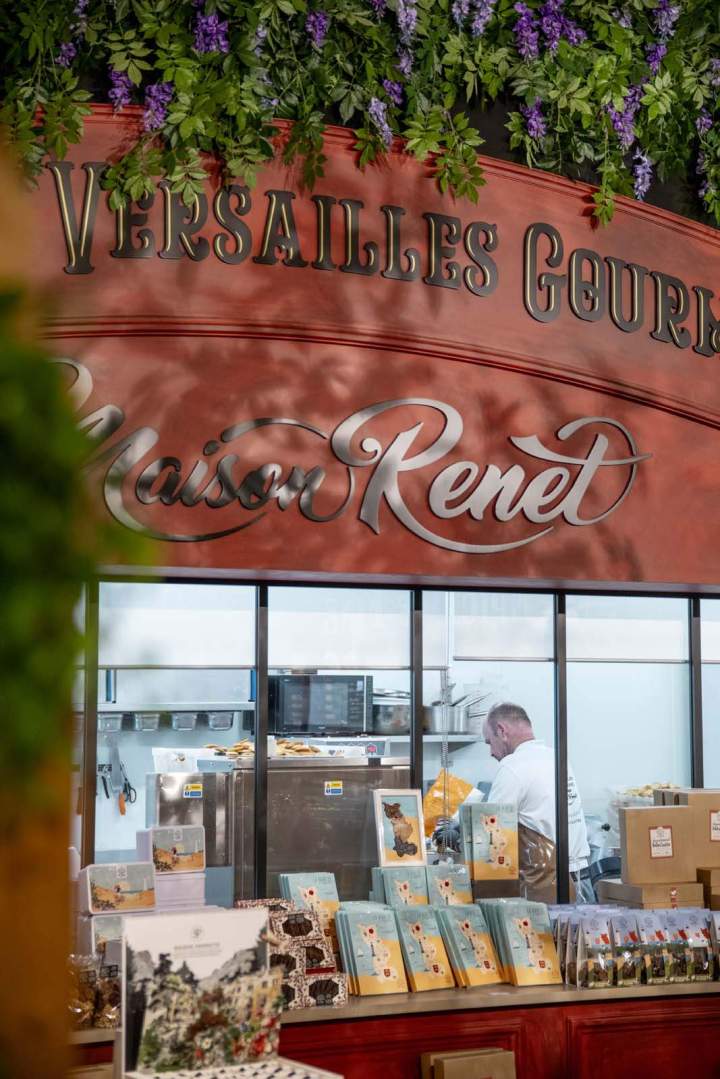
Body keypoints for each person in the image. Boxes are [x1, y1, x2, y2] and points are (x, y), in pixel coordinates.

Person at [461, 702, 593, 903]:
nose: (491, 752)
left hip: (545, 884)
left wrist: (460, 835)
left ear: (502, 731)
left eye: (489, 742)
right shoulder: (556, 757)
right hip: (580, 879)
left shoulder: (513, 766)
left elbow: (491, 837)